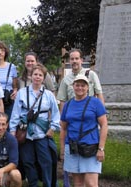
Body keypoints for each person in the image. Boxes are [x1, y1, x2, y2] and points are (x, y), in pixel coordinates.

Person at [57, 48, 105, 187]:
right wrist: (62, 150)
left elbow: (103, 123)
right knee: (77, 183)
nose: (74, 61)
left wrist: (101, 148)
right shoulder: (66, 80)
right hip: (73, 144)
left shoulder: (91, 76)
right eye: (71, 59)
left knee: (91, 183)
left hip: (89, 141)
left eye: (76, 58)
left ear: (81, 60)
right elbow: (62, 105)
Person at [10, 63, 60, 187]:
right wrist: (12, 131)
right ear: (31, 76)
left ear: (43, 78)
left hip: (42, 134)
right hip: (25, 133)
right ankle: (33, 184)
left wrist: (52, 128)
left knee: (46, 161)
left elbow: (55, 113)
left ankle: (48, 184)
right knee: (28, 161)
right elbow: (16, 113)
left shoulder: (48, 95)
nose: (37, 77)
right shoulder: (22, 93)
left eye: (40, 75)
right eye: (35, 74)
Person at [0, 41, 18, 119]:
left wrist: (15, 91)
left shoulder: (12, 67)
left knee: (8, 121)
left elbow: (15, 86)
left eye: (2, 50)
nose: (0, 52)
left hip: (8, 99)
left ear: (5, 53)